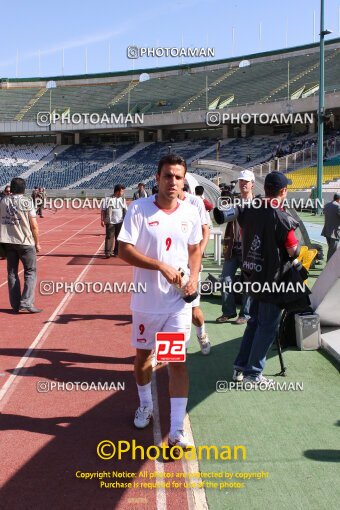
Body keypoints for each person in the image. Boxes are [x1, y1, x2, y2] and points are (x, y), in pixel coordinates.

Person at [118, 154, 202, 448]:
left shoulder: (190, 212)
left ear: (183, 181)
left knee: (176, 362)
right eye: (168, 176)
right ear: (157, 178)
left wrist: (193, 277)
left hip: (175, 305)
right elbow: (123, 250)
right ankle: (145, 405)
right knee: (143, 358)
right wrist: (160, 266)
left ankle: (176, 430)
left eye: (178, 177)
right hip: (145, 304)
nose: (173, 182)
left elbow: (194, 250)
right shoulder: (139, 209)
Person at [231, 172, 300, 387]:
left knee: (254, 323)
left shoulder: (251, 210)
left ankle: (240, 368)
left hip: (253, 275)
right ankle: (253, 374)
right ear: (283, 191)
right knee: (267, 326)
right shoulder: (280, 215)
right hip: (273, 279)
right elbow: (292, 249)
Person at [216, 170, 254, 325]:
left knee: (249, 283)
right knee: (225, 280)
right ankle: (228, 312)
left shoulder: (258, 203)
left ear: (252, 184)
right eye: (241, 181)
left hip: (250, 250)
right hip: (233, 248)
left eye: (246, 181)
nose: (243, 184)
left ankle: (245, 314)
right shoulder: (234, 203)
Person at [0, 177, 42, 313]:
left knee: (12, 273)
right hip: (25, 242)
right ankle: (26, 303)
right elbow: (34, 225)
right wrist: (37, 242)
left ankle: (15, 304)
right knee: (30, 272)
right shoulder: (27, 202)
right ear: (24, 188)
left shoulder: (3, 201)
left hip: (8, 242)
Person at [178, 183, 211, 355]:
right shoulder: (158, 204)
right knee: (170, 311)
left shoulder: (195, 203)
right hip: (170, 268)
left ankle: (202, 334)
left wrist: (198, 253)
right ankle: (171, 352)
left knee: (193, 310)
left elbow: (206, 229)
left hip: (191, 264)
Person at [101, 184, 127, 258]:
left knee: (119, 237)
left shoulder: (122, 199)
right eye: (122, 191)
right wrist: (102, 220)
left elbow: (125, 210)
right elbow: (103, 210)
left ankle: (117, 252)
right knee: (109, 237)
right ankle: (108, 252)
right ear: (117, 191)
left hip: (120, 221)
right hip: (110, 221)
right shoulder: (108, 199)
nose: (123, 193)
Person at [321, 192, 340, 261]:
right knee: (333, 250)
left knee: (331, 248)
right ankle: (329, 265)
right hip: (335, 232)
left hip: (327, 230)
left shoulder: (327, 205)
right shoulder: (338, 206)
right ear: (339, 199)